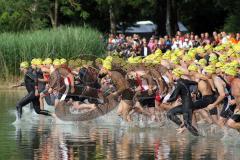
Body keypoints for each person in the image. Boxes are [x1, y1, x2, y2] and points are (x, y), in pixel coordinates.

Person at [165, 68, 199, 136]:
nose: (172, 76)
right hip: (187, 105)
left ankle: (198, 136)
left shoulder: (179, 84)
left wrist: (167, 100)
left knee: (188, 125)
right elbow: (195, 83)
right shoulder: (185, 81)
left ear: (176, 74)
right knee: (170, 113)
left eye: (173, 74)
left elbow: (174, 97)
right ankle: (182, 125)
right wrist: (194, 92)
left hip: (187, 106)